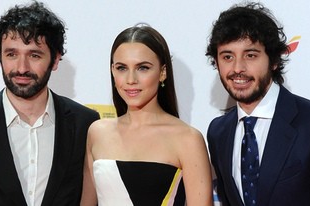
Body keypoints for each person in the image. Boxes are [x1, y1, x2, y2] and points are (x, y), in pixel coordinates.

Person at [205, 2, 310, 206]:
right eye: (227, 56)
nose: (238, 68)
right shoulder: (218, 132)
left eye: (250, 55)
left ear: (274, 60)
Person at [0, 1, 99, 206]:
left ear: (55, 60)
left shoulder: (85, 124)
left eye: (34, 55)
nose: (21, 68)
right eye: (11, 54)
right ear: (0, 58)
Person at [80, 25, 213, 206]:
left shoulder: (188, 139)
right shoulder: (97, 132)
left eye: (143, 68)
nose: (131, 79)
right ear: (112, 70)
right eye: (121, 68)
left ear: (163, 72)